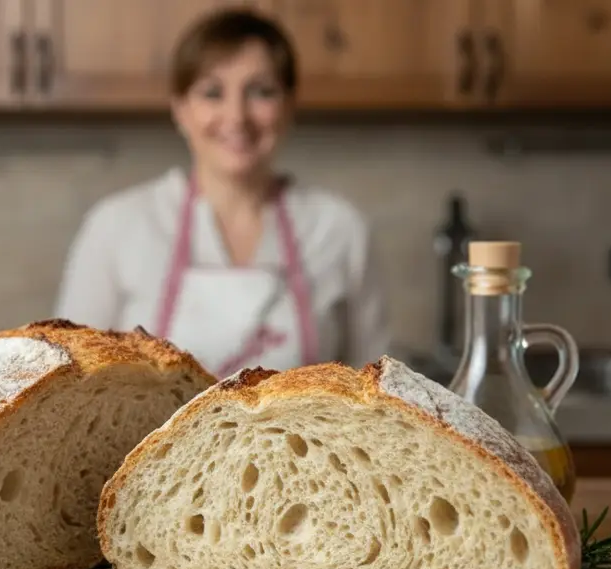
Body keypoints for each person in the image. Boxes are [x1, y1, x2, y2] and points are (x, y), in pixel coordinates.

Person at [54, 7, 390, 378]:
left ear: (289, 105)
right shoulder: (116, 227)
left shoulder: (339, 229)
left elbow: (375, 392)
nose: (236, 117)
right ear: (180, 109)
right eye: (212, 93)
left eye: (261, 92)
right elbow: (73, 380)